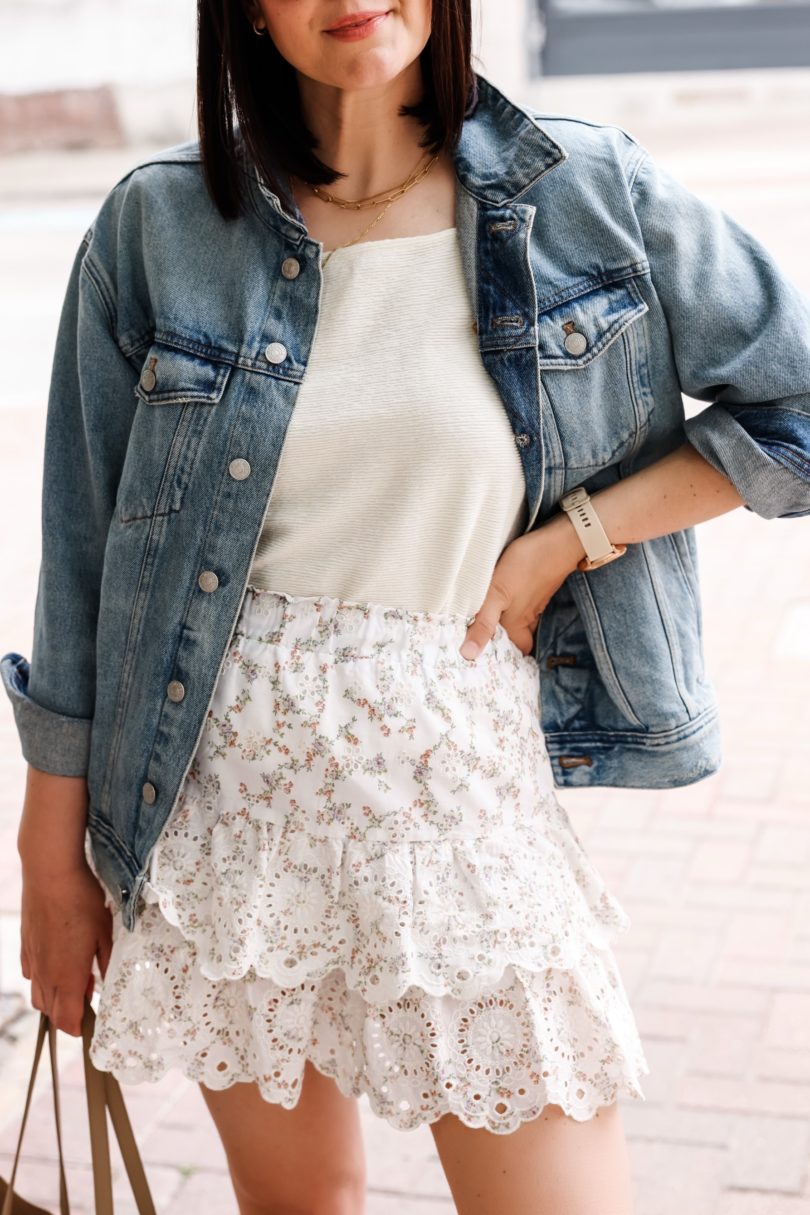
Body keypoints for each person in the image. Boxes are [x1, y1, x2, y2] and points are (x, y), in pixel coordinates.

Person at [3, 2, 810, 1213]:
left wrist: (574, 540)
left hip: (455, 802)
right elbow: (79, 558)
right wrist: (48, 857)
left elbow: (792, 408)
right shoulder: (158, 226)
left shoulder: (584, 191)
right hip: (223, 814)